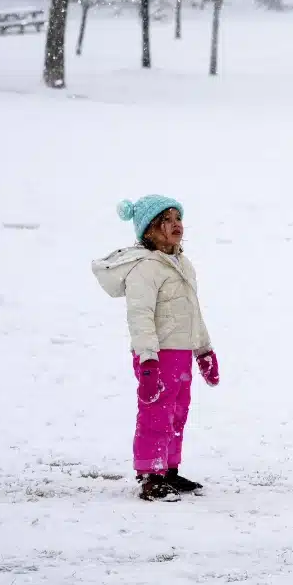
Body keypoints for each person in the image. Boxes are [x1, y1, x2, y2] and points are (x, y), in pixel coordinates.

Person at [91, 195, 219, 501]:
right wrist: (147, 360)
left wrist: (203, 350)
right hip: (157, 355)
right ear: (150, 230)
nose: (176, 225)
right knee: (156, 414)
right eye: (167, 220)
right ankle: (150, 474)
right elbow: (140, 317)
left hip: (182, 352)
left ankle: (169, 470)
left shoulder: (183, 264)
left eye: (178, 218)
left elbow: (193, 311)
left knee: (177, 412)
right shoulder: (145, 268)